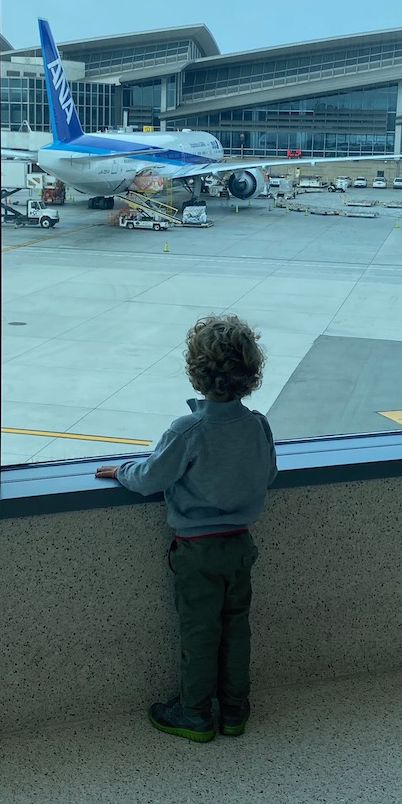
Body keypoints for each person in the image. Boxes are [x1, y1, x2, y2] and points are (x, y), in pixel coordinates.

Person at [95, 314, 277, 742]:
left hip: (197, 552)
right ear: (251, 372)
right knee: (236, 630)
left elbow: (149, 479)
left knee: (200, 634)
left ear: (196, 373)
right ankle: (234, 710)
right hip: (240, 546)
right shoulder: (258, 425)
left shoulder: (189, 429)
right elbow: (267, 475)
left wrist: (121, 469)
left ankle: (195, 713)